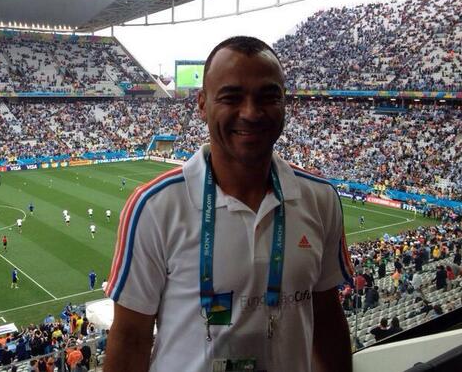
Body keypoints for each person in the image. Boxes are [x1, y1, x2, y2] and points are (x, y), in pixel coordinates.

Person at [104, 36, 353, 372]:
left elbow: (326, 317)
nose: (251, 112)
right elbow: (131, 339)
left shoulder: (320, 198)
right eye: (231, 97)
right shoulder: (153, 207)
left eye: (268, 97)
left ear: (284, 103)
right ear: (202, 105)